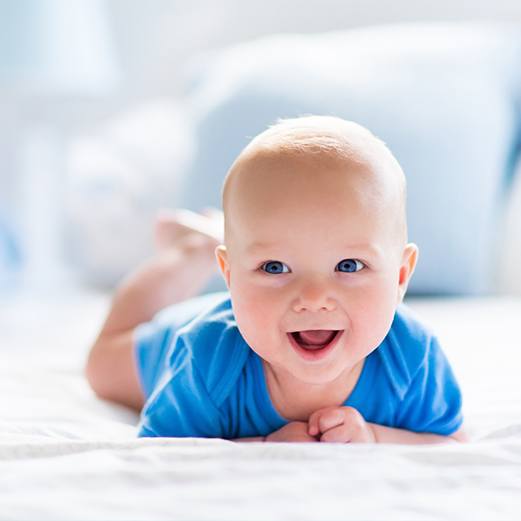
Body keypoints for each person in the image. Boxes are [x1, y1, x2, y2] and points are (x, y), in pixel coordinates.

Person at [85, 115, 468, 443]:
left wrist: (373, 435)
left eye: (349, 265)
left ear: (400, 276)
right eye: (275, 267)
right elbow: (162, 453)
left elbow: (447, 441)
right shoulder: (206, 358)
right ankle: (192, 252)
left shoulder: (411, 357)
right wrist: (263, 443)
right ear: (230, 275)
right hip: (170, 341)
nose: (314, 297)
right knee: (101, 367)